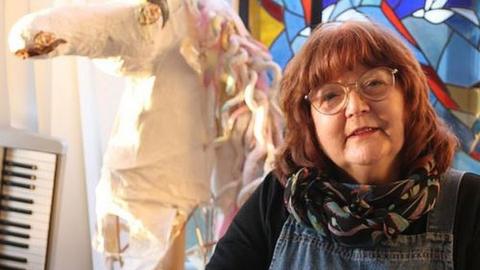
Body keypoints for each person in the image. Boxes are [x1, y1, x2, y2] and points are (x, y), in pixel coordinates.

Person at [206, 20, 480, 269]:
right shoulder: (277, 200)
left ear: (408, 100)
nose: (356, 106)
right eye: (330, 96)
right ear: (308, 124)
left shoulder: (470, 202)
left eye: (374, 83)